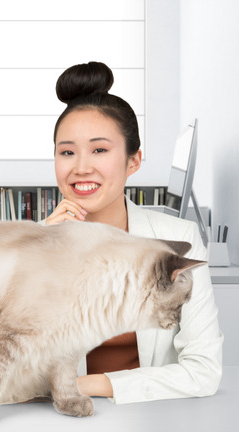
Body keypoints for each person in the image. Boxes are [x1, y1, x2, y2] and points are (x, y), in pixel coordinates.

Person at [39, 61, 223, 404]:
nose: (80, 167)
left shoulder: (177, 239)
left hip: (146, 414)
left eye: (99, 149)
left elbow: (202, 371)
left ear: (134, 161)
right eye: (67, 152)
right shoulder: (29, 247)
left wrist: (85, 386)